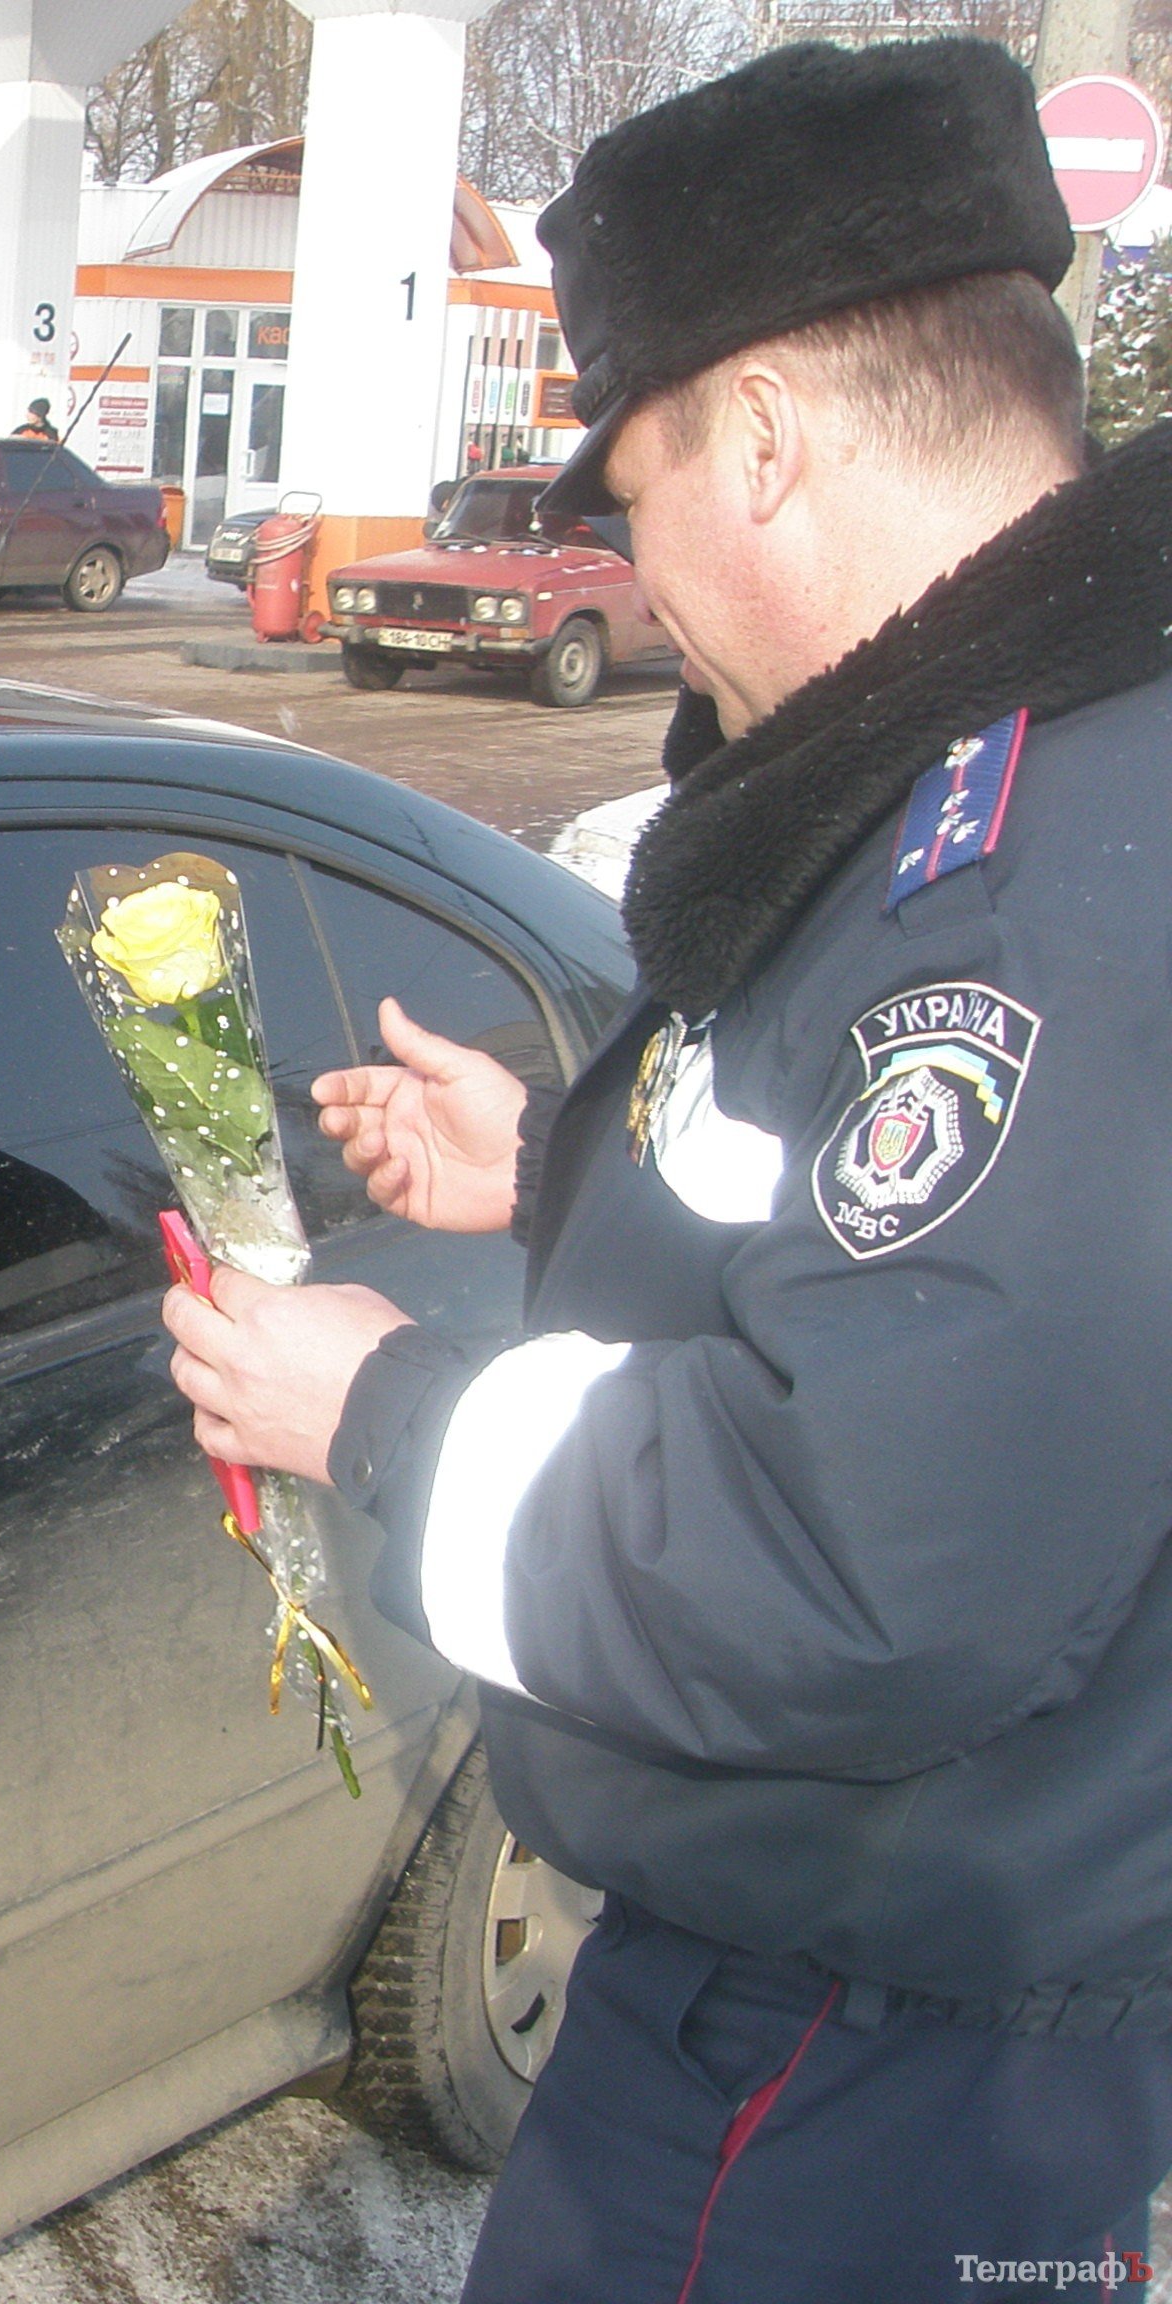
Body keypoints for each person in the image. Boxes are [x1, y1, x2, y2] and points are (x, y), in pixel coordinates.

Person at [161, 39, 1172, 2302]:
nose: (618, 557)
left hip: (840, 2059)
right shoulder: (1009, 780)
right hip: (873, 1996)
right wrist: (545, 1174)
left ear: (762, 435)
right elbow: (907, 1258)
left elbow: (859, 1570)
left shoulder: (1025, 898)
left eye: (620, 485)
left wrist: (370, 1411)